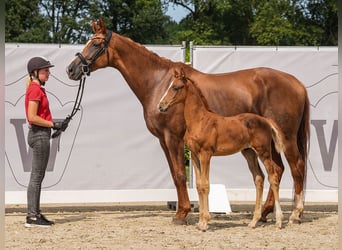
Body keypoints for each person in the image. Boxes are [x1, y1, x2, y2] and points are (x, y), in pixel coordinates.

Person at [24, 56, 69, 227]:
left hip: (41, 133)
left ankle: (35, 213)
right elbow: (32, 117)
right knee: (36, 177)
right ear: (35, 73)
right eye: (45, 71)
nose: (48, 73)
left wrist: (56, 125)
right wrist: (53, 123)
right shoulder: (35, 90)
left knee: (38, 176)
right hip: (39, 135)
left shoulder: (37, 89)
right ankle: (32, 216)